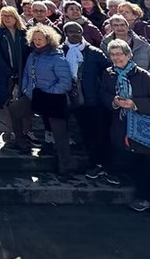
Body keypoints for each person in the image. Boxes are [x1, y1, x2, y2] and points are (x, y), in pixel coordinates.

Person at [101, 38, 150, 221]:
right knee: (135, 165)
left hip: (145, 126)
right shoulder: (109, 74)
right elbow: (104, 95)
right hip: (123, 126)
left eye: (120, 54)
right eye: (113, 55)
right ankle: (144, 197)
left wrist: (135, 103)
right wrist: (113, 102)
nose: (116, 58)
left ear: (128, 55)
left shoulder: (144, 76)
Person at [8, 24, 75, 176]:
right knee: (14, 110)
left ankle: (65, 165)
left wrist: (49, 93)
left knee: (60, 134)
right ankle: (21, 142)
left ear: (49, 39)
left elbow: (65, 83)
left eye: (41, 39)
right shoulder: (32, 55)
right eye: (35, 39)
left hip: (53, 99)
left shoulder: (57, 58)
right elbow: (25, 74)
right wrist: (26, 89)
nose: (37, 41)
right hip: (34, 95)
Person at [60, 22, 114, 182]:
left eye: (78, 31)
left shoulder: (94, 52)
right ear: (65, 34)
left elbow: (108, 71)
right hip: (70, 98)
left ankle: (100, 163)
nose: (75, 34)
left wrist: (101, 91)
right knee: (82, 133)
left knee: (97, 133)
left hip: (92, 100)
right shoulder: (60, 51)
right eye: (71, 32)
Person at [101, 15, 150, 83]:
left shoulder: (142, 44)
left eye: (122, 25)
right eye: (116, 25)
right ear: (112, 27)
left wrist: (148, 79)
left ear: (128, 26)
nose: (119, 28)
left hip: (145, 86)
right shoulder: (105, 45)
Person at [0, 6, 27, 109]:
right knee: (6, 101)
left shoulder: (23, 32)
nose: (7, 18)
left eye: (9, 16)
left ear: (15, 17)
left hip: (21, 70)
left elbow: (27, 52)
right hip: (4, 72)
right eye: (4, 16)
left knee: (21, 101)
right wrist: (8, 71)